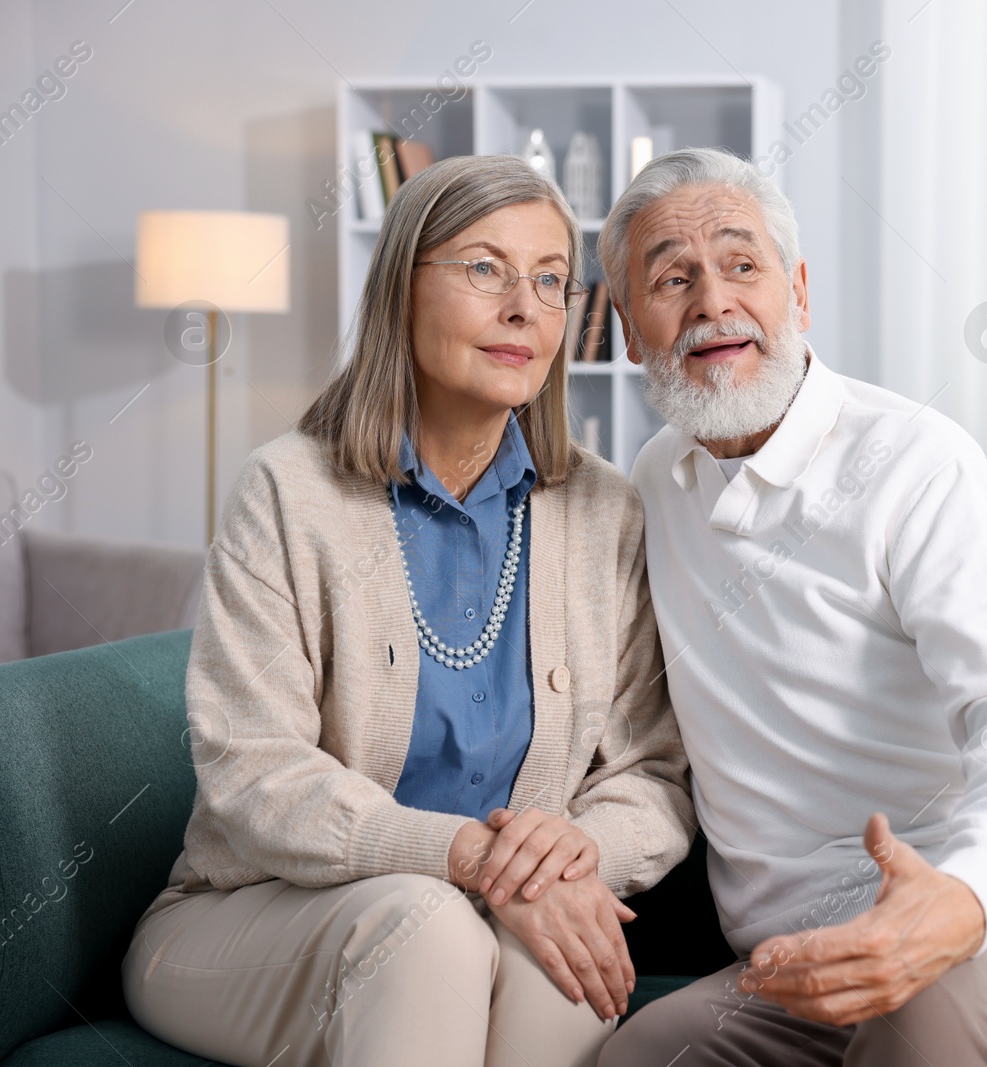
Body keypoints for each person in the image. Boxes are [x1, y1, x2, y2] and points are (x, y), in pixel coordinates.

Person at [121, 154, 694, 1067]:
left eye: (550, 280)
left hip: (503, 908)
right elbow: (252, 768)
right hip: (252, 918)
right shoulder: (288, 492)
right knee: (426, 927)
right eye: (483, 268)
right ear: (401, 287)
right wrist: (463, 855)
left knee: (567, 959)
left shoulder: (606, 511)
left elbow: (654, 772)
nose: (523, 307)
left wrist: (569, 853)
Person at [595, 148, 987, 1066]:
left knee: (922, 1019)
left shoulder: (915, 460)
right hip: (797, 969)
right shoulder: (653, 484)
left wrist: (961, 898)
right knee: (638, 1054)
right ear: (628, 328)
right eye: (672, 278)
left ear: (799, 291)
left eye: (744, 265)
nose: (712, 303)